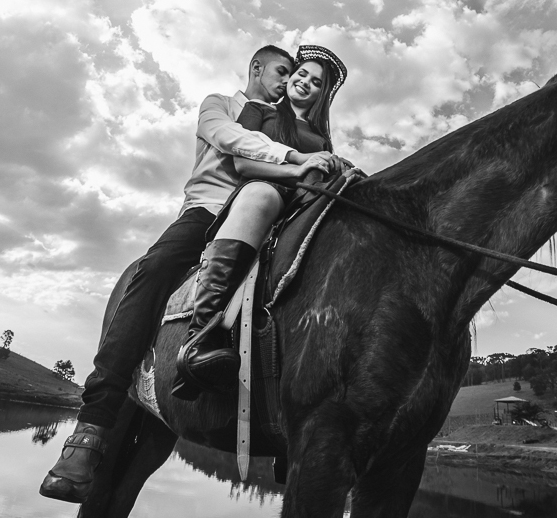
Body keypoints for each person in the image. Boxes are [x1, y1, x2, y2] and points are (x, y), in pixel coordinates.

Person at [40, 44, 338, 503]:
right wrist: (296, 160)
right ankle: (93, 423)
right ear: (257, 67)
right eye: (287, 71)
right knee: (155, 271)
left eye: (304, 77)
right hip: (209, 209)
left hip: (275, 215)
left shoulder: (293, 121)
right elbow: (234, 145)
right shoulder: (225, 106)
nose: (291, 80)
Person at [174, 44, 349, 397]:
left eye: (316, 82)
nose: (304, 82)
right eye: (301, 74)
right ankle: (202, 334)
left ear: (321, 96)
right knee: (261, 194)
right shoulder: (259, 110)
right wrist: (298, 168)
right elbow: (242, 164)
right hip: (263, 192)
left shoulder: (321, 136)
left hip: (303, 204)